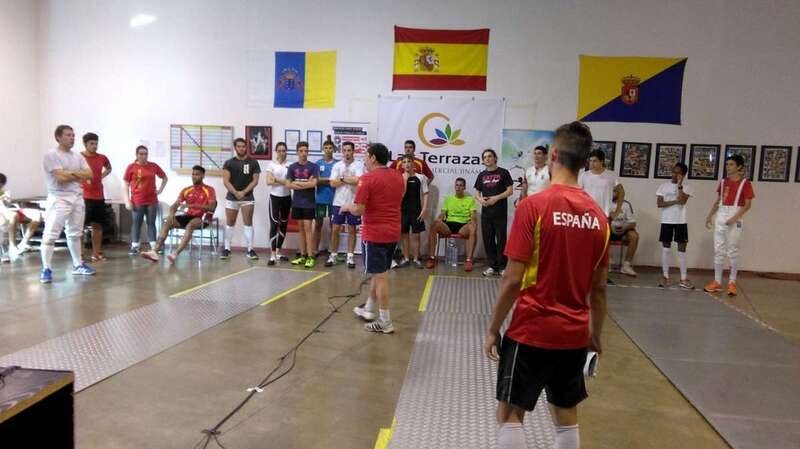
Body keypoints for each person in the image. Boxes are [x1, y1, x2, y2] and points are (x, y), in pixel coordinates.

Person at [483, 121, 609, 449]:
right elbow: (599, 289)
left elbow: (512, 279)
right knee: (566, 416)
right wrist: (594, 336)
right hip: (575, 335)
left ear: (553, 154)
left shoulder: (533, 207)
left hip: (531, 330)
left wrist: (493, 329)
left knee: (509, 413)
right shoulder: (599, 218)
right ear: (585, 162)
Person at [341, 143, 405, 333]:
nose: (364, 160)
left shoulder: (367, 179)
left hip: (375, 234)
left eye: (366, 156)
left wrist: (346, 207)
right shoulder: (398, 176)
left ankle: (385, 321)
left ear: (373, 158)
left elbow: (359, 209)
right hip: (393, 232)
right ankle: (369, 308)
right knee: (380, 272)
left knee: (381, 276)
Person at [40, 125, 96, 283]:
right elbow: (60, 178)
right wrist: (77, 175)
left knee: (75, 233)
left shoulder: (77, 156)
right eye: (68, 135)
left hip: (77, 197)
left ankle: (78, 264)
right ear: (58, 137)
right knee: (50, 235)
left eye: (73, 135)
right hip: (59, 198)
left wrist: (69, 173)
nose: (72, 138)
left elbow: (89, 174)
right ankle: (46, 268)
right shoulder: (51, 155)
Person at [141, 166, 217, 264]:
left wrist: (192, 205)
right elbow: (175, 204)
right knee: (168, 222)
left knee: (190, 225)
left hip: (202, 218)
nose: (194, 176)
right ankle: (154, 251)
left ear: (203, 176)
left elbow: (211, 207)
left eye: (197, 174)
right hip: (188, 216)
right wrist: (171, 213)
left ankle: (175, 254)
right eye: (193, 174)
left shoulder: (209, 190)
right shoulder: (187, 190)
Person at [704, 155, 755, 296]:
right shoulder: (723, 182)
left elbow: (747, 205)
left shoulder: (745, 183)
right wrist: (710, 215)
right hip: (721, 215)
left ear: (739, 167)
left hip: (735, 217)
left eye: (731, 164)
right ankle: (717, 281)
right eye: (727, 164)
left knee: (733, 250)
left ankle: (732, 282)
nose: (728, 167)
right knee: (718, 250)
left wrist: (734, 218)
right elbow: (718, 201)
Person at [474, 149, 514, 276]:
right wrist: (480, 200)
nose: (487, 159)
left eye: (490, 156)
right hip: (486, 213)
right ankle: (492, 266)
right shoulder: (481, 175)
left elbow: (510, 191)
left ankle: (502, 267)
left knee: (501, 240)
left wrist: (496, 198)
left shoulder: (503, 172)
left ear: (495, 158)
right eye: (485, 157)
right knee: (488, 240)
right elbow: (477, 193)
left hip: (500, 212)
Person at [425, 178, 478, 272]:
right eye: (457, 185)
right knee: (434, 225)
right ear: (454, 186)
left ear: (464, 187)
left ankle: (469, 260)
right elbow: (443, 213)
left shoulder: (470, 199)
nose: (458, 187)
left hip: (463, 226)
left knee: (473, 227)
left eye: (461, 185)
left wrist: (473, 221)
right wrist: (439, 219)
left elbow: (473, 214)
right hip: (449, 225)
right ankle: (432, 258)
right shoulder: (448, 199)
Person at [123, 145, 167, 255]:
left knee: (151, 223)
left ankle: (154, 246)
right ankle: (135, 246)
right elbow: (125, 185)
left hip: (152, 200)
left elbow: (165, 178)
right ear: (137, 155)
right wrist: (127, 201)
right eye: (141, 154)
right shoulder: (131, 167)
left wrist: (160, 190)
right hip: (137, 200)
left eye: (145, 154)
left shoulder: (153, 166)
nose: (144, 156)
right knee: (136, 223)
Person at [221, 137, 261, 260]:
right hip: (232, 198)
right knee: (230, 223)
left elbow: (255, 181)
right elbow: (226, 181)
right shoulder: (229, 163)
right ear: (235, 148)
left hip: (247, 197)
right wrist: (235, 192)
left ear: (246, 147)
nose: (241, 148)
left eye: (243, 146)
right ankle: (227, 249)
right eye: (239, 146)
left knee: (248, 223)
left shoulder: (253, 162)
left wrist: (243, 192)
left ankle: (250, 250)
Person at [656, 162, 694, 289]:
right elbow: (659, 204)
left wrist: (680, 185)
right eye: (673, 171)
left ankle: (683, 278)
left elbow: (682, 201)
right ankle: (665, 276)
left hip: (681, 221)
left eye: (678, 173)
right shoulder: (663, 186)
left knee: (682, 250)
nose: (674, 174)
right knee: (666, 249)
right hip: (666, 221)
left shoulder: (687, 187)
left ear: (683, 175)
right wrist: (674, 201)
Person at [327, 141, 364, 269]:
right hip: (338, 202)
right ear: (342, 152)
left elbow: (358, 180)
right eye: (345, 150)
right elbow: (332, 183)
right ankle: (333, 255)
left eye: (349, 150)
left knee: (352, 229)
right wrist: (349, 179)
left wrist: (342, 179)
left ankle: (350, 257)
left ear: (353, 151)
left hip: (353, 202)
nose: (347, 153)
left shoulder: (359, 165)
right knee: (335, 229)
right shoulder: (337, 165)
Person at [284, 142, 319, 269]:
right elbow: (288, 184)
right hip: (297, 203)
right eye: (301, 151)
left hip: (309, 203)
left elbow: (313, 184)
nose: (304, 153)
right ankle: (303, 255)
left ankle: (310, 256)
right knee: (301, 230)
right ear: (297, 152)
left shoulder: (313, 167)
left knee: (308, 229)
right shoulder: (292, 167)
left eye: (306, 151)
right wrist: (305, 183)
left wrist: (297, 183)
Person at [80, 132, 112, 261]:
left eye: (96, 143)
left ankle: (96, 253)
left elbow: (109, 168)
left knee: (97, 225)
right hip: (84, 196)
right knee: (80, 226)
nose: (94, 146)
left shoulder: (102, 157)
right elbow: (73, 172)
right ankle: (79, 254)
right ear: (85, 144)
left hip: (98, 196)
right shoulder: (79, 157)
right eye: (91, 143)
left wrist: (100, 177)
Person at [0, 173, 43, 260]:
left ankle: (23, 243)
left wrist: (7, 199)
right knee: (13, 216)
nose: (1, 186)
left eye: (2, 184)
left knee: (37, 214)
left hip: (10, 209)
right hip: (3, 212)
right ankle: (12, 246)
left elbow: (7, 205)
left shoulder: (2, 191)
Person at [397, 155, 429, 268]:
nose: (407, 164)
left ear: (413, 164)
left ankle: (416, 259)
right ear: (402, 165)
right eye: (404, 162)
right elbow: (399, 196)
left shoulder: (421, 177)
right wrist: (405, 180)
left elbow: (425, 193)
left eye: (409, 161)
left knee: (416, 236)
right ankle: (406, 258)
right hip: (403, 211)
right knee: (404, 235)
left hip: (416, 210)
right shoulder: (399, 178)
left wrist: (424, 209)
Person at [265, 142, 292, 266]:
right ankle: (272, 254)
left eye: (284, 150)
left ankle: (279, 252)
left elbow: (290, 183)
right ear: (276, 152)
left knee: (284, 225)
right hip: (274, 198)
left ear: (286, 151)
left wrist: (276, 179)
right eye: (279, 150)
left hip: (287, 198)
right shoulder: (271, 165)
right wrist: (283, 181)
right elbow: (268, 181)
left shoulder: (290, 165)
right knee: (274, 224)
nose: (282, 153)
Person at [313, 140, 337, 257]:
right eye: (326, 148)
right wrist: (329, 180)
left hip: (334, 199)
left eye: (330, 148)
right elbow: (316, 180)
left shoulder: (337, 164)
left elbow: (337, 180)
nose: (328, 150)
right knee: (318, 225)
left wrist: (324, 180)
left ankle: (332, 251)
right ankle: (314, 250)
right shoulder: (318, 163)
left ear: (333, 149)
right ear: (323, 149)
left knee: (334, 226)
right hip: (320, 199)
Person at [609, 184, 639, 276]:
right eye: (611, 191)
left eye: (614, 191)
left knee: (634, 236)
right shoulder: (605, 203)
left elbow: (633, 223)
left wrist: (625, 227)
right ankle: (606, 262)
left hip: (622, 231)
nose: (612, 193)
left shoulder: (626, 204)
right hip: (609, 230)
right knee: (599, 234)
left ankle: (626, 265)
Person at [579, 149, 617, 217]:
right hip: (588, 214)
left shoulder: (611, 175)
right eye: (590, 161)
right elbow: (578, 193)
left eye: (595, 161)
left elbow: (621, 192)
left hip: (605, 214)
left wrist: (617, 211)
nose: (592, 163)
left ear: (602, 161)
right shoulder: (584, 175)